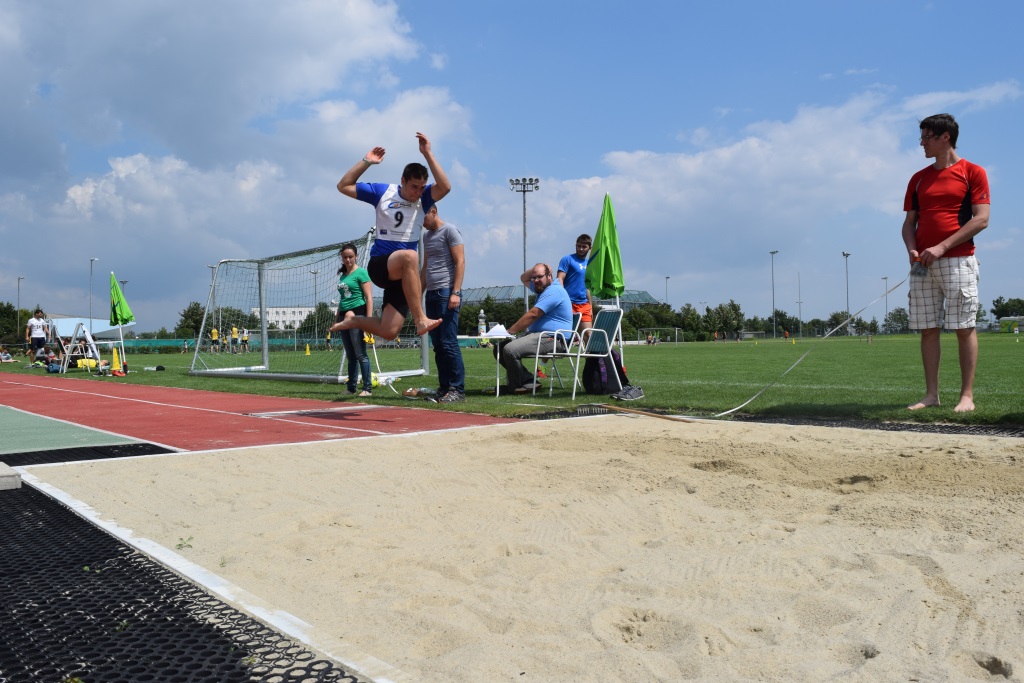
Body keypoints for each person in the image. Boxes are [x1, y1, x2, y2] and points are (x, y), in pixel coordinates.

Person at [902, 113, 989, 413]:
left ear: (945, 137)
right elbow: (909, 224)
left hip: (959, 261)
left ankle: (967, 396)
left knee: (964, 327)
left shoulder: (973, 172)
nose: (921, 143)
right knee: (927, 328)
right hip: (923, 265)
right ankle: (931, 395)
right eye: (922, 137)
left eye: (927, 137)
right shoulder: (918, 178)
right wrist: (912, 249)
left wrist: (941, 247)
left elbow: (981, 219)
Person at [334, 132, 450, 340]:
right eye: (413, 187)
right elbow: (344, 186)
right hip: (380, 265)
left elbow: (445, 187)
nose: (417, 192)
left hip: (404, 276)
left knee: (389, 331)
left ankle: (354, 320)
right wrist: (366, 162)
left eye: (421, 188)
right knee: (410, 256)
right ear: (402, 181)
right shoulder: (383, 192)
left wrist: (427, 153)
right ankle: (420, 319)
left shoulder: (423, 199)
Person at [492, 263, 573, 394]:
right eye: (534, 278)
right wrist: (535, 270)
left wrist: (509, 332)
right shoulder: (542, 289)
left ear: (549, 276)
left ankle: (516, 386)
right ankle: (528, 381)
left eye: (539, 277)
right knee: (499, 348)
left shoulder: (554, 291)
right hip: (539, 336)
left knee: (510, 349)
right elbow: (523, 278)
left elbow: (533, 314)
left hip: (554, 339)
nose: (535, 281)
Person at [421, 206, 466, 403]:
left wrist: (455, 292)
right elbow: (425, 266)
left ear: (433, 211)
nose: (421, 223)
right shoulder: (426, 236)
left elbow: (460, 261)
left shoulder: (450, 230)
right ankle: (445, 387)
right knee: (438, 345)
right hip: (431, 294)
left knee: (448, 342)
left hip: (446, 292)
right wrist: (418, 294)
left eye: (422, 217)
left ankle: (457, 389)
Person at [330, 243, 374, 396]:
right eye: (345, 257)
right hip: (344, 317)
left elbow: (369, 298)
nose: (348, 260)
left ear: (356, 256)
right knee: (351, 355)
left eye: (350, 257)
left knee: (360, 353)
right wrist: (336, 320)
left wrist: (368, 322)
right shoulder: (343, 275)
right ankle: (351, 387)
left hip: (358, 316)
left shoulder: (361, 273)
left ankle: (367, 388)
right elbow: (342, 300)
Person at [557, 233, 594, 332]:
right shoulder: (567, 259)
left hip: (584, 304)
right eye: (579, 246)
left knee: (588, 334)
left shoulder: (589, 264)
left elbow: (587, 287)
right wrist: (563, 300)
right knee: (568, 334)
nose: (581, 249)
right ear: (576, 245)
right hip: (569, 302)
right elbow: (560, 279)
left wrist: (590, 306)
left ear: (589, 248)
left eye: (584, 247)